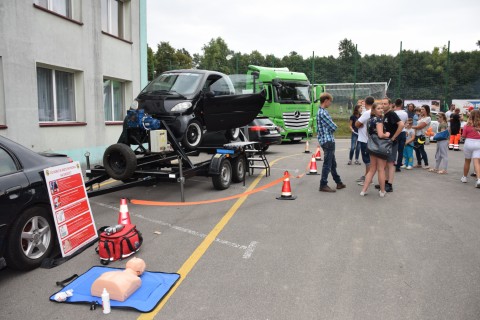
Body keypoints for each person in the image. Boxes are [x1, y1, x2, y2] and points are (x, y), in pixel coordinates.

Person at [317, 92, 346, 192]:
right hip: (328, 141)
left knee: (332, 164)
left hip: (326, 140)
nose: (330, 103)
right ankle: (323, 184)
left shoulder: (321, 111)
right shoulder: (323, 113)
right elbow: (333, 126)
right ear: (326, 101)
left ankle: (338, 182)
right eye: (330, 101)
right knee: (327, 164)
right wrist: (334, 126)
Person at [360, 103, 390, 197]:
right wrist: (387, 134)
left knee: (372, 169)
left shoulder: (370, 120)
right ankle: (382, 191)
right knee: (381, 169)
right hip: (381, 147)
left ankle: (363, 190)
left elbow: (369, 133)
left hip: (372, 147)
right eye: (378, 108)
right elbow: (381, 135)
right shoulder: (379, 120)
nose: (381, 110)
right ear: (373, 110)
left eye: (382, 108)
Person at [375, 98, 404, 192]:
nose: (383, 105)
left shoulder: (392, 114)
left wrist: (394, 137)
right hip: (386, 142)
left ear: (390, 104)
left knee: (390, 163)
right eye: (382, 103)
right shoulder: (384, 115)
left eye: (385, 103)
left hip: (391, 142)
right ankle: (384, 182)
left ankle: (390, 184)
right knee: (386, 164)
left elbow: (401, 124)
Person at [355, 96, 375, 185]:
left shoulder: (367, 113)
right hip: (369, 139)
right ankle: (366, 176)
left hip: (365, 139)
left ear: (366, 103)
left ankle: (368, 179)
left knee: (367, 160)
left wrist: (359, 124)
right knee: (368, 160)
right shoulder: (372, 112)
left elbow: (357, 123)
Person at [460, 110, 480, 187]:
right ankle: (478, 179)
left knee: (467, 161)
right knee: (477, 162)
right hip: (478, 143)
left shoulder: (467, 125)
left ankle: (464, 177)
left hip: (468, 143)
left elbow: (463, 136)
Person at [394, 98, 408, 172]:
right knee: (401, 150)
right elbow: (405, 122)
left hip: (396, 132)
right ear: (401, 104)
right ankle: (398, 166)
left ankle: (393, 162)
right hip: (403, 132)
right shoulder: (405, 113)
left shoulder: (394, 113)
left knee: (394, 149)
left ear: (395, 104)